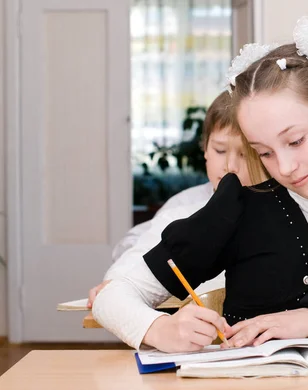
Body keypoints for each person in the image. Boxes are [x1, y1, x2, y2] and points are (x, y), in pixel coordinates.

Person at [92, 16, 308, 352]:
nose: (284, 167)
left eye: (295, 141)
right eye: (263, 152)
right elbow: (111, 297)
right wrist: (159, 329)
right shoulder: (236, 209)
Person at [87, 91, 254, 307]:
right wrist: (117, 281)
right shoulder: (183, 207)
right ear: (205, 150)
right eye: (220, 150)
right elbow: (143, 252)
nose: (230, 166)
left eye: (245, 154)